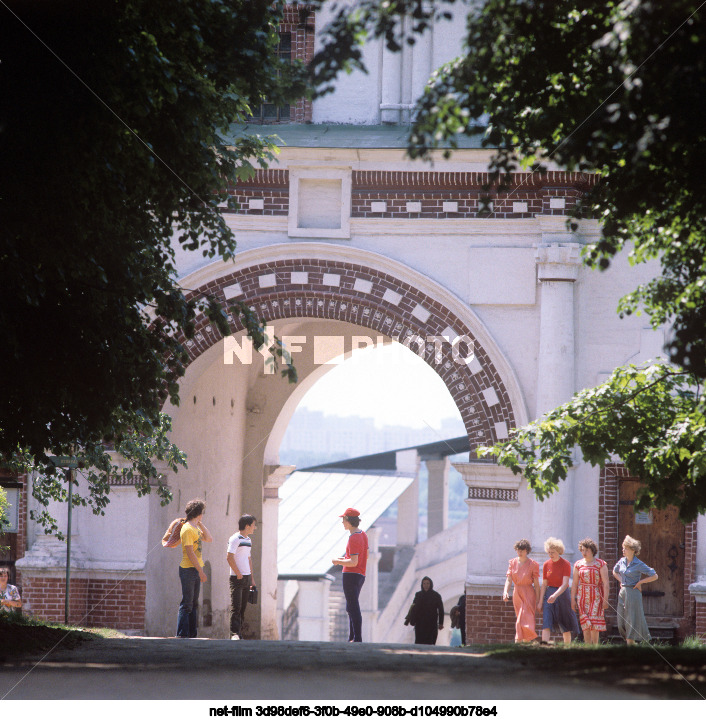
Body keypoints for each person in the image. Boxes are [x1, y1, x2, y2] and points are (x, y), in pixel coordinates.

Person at [176, 499, 212, 638]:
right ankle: (182, 634)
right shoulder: (187, 529)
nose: (202, 515)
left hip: (196, 569)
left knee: (194, 603)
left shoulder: (195, 528)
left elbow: (209, 538)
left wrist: (200, 524)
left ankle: (192, 634)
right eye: (201, 513)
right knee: (187, 603)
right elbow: (190, 553)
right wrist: (201, 571)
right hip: (188, 569)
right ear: (198, 513)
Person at [613, 535, 658, 645]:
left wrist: (640, 582)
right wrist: (621, 581)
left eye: (626, 548)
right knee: (621, 621)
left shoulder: (638, 564)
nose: (623, 550)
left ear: (633, 550)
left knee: (631, 620)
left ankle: (630, 647)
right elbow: (614, 571)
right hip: (623, 592)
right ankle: (632, 644)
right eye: (623, 548)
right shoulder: (622, 561)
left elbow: (654, 575)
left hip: (633, 593)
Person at [332, 507, 368, 643]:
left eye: (343, 520)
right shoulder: (363, 534)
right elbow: (365, 556)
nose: (342, 523)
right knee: (351, 606)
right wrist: (343, 560)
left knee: (353, 606)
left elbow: (353, 562)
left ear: (349, 521)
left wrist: (338, 561)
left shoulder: (353, 538)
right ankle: (352, 637)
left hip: (351, 575)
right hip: (360, 575)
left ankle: (356, 637)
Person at [537, 537, 579, 645]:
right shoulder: (546, 564)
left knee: (564, 623)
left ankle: (567, 648)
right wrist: (541, 601)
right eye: (549, 552)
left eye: (553, 552)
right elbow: (544, 584)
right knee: (546, 621)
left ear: (559, 551)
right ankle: (544, 646)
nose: (551, 554)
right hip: (549, 592)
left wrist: (555, 595)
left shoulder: (565, 564)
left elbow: (565, 584)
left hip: (562, 594)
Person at [571, 537, 609, 644]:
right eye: (582, 550)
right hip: (582, 596)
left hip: (596, 596)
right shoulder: (578, 564)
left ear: (592, 550)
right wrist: (572, 600)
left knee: (594, 624)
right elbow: (574, 583)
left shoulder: (600, 564)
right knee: (585, 625)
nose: (584, 552)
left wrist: (605, 600)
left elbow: (606, 583)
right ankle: (587, 648)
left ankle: (595, 647)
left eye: (586, 550)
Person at [503, 539, 540, 643]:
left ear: (527, 551)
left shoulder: (533, 564)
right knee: (520, 617)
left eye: (522, 550)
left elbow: (536, 585)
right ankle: (524, 643)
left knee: (524, 619)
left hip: (528, 592)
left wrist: (538, 600)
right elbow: (509, 579)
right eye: (518, 550)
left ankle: (518, 641)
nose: (519, 552)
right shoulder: (512, 562)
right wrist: (505, 591)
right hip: (517, 592)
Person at [227, 513, 257, 641]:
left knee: (243, 607)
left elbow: (248, 559)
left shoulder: (248, 540)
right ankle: (234, 634)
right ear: (247, 525)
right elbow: (229, 557)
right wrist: (238, 573)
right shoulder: (235, 539)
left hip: (247, 577)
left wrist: (252, 578)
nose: (254, 528)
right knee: (236, 606)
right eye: (253, 525)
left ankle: (239, 633)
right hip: (237, 578)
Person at [405, 576, 445, 645]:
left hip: (431, 623)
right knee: (419, 643)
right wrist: (411, 620)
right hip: (420, 623)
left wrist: (441, 623)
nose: (426, 585)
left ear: (431, 584)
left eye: (427, 583)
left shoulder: (436, 595)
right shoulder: (418, 595)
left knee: (430, 643)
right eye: (424, 583)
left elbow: (441, 609)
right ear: (422, 585)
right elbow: (413, 608)